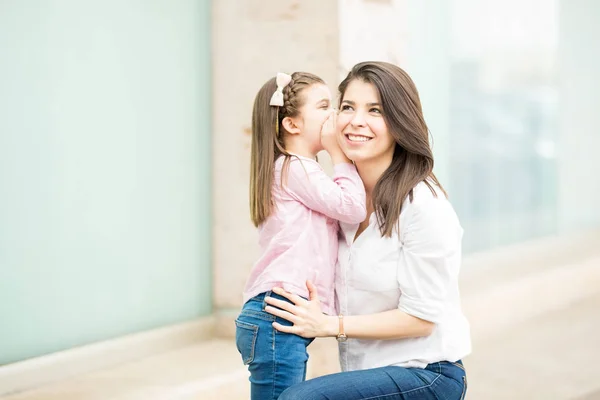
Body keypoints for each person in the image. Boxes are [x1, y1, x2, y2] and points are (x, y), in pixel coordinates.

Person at [264, 62, 472, 400]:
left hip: (427, 372)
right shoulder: (340, 202)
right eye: (347, 107)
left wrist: (330, 325)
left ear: (400, 122)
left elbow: (421, 318)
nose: (356, 120)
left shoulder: (423, 205)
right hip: (366, 375)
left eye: (375, 110)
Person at [235, 71, 367, 400]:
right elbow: (352, 207)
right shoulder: (296, 168)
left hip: (275, 315)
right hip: (278, 314)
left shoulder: (297, 170)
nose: (334, 116)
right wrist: (340, 155)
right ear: (292, 124)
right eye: (324, 107)